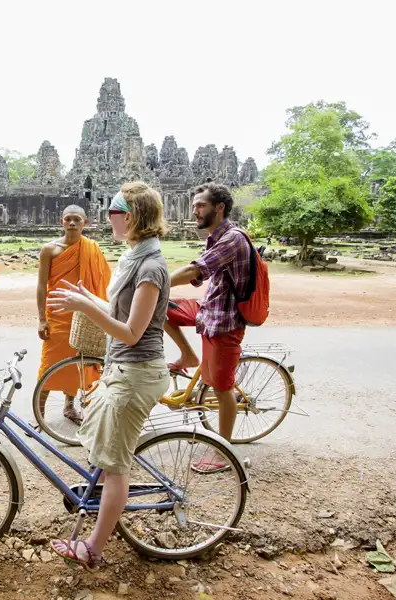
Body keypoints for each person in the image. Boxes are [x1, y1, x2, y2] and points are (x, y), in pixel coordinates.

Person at [46, 181, 170, 569]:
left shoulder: (150, 268)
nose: (108, 218)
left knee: (115, 467)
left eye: (113, 212)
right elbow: (119, 313)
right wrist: (89, 299)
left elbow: (131, 332)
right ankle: (102, 512)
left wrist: (86, 306)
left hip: (136, 373)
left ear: (130, 218)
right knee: (104, 452)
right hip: (122, 369)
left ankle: (93, 549)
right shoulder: (134, 257)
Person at [165, 182, 251, 473]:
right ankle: (188, 356)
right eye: (194, 205)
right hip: (207, 310)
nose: (195, 211)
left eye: (201, 205)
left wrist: (154, 280)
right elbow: (199, 276)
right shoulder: (216, 237)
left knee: (222, 387)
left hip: (225, 321)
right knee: (161, 308)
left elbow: (195, 269)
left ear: (220, 208)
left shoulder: (233, 239)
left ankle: (223, 453)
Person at [35, 205, 111, 428]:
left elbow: (102, 283)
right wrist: (41, 318)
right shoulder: (49, 250)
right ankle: (39, 413)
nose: (72, 223)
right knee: (49, 364)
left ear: (84, 223)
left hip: (83, 315)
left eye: (77, 219)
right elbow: (41, 286)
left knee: (78, 362)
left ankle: (69, 406)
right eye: (68, 219)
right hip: (57, 314)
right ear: (61, 222)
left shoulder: (92, 249)